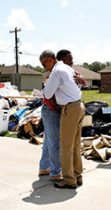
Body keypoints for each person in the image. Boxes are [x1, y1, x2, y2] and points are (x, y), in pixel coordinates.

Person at [40, 50, 85, 189]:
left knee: (65, 146)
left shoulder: (57, 71)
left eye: (44, 64)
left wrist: (47, 84)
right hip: (79, 105)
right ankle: (78, 176)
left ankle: (69, 180)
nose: (44, 68)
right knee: (76, 145)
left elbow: (47, 94)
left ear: (50, 60)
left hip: (69, 109)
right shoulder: (67, 68)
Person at [38, 70, 62, 182]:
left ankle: (44, 167)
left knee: (49, 140)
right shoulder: (52, 79)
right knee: (54, 142)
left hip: (49, 110)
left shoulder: (55, 77)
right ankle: (55, 172)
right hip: (51, 110)